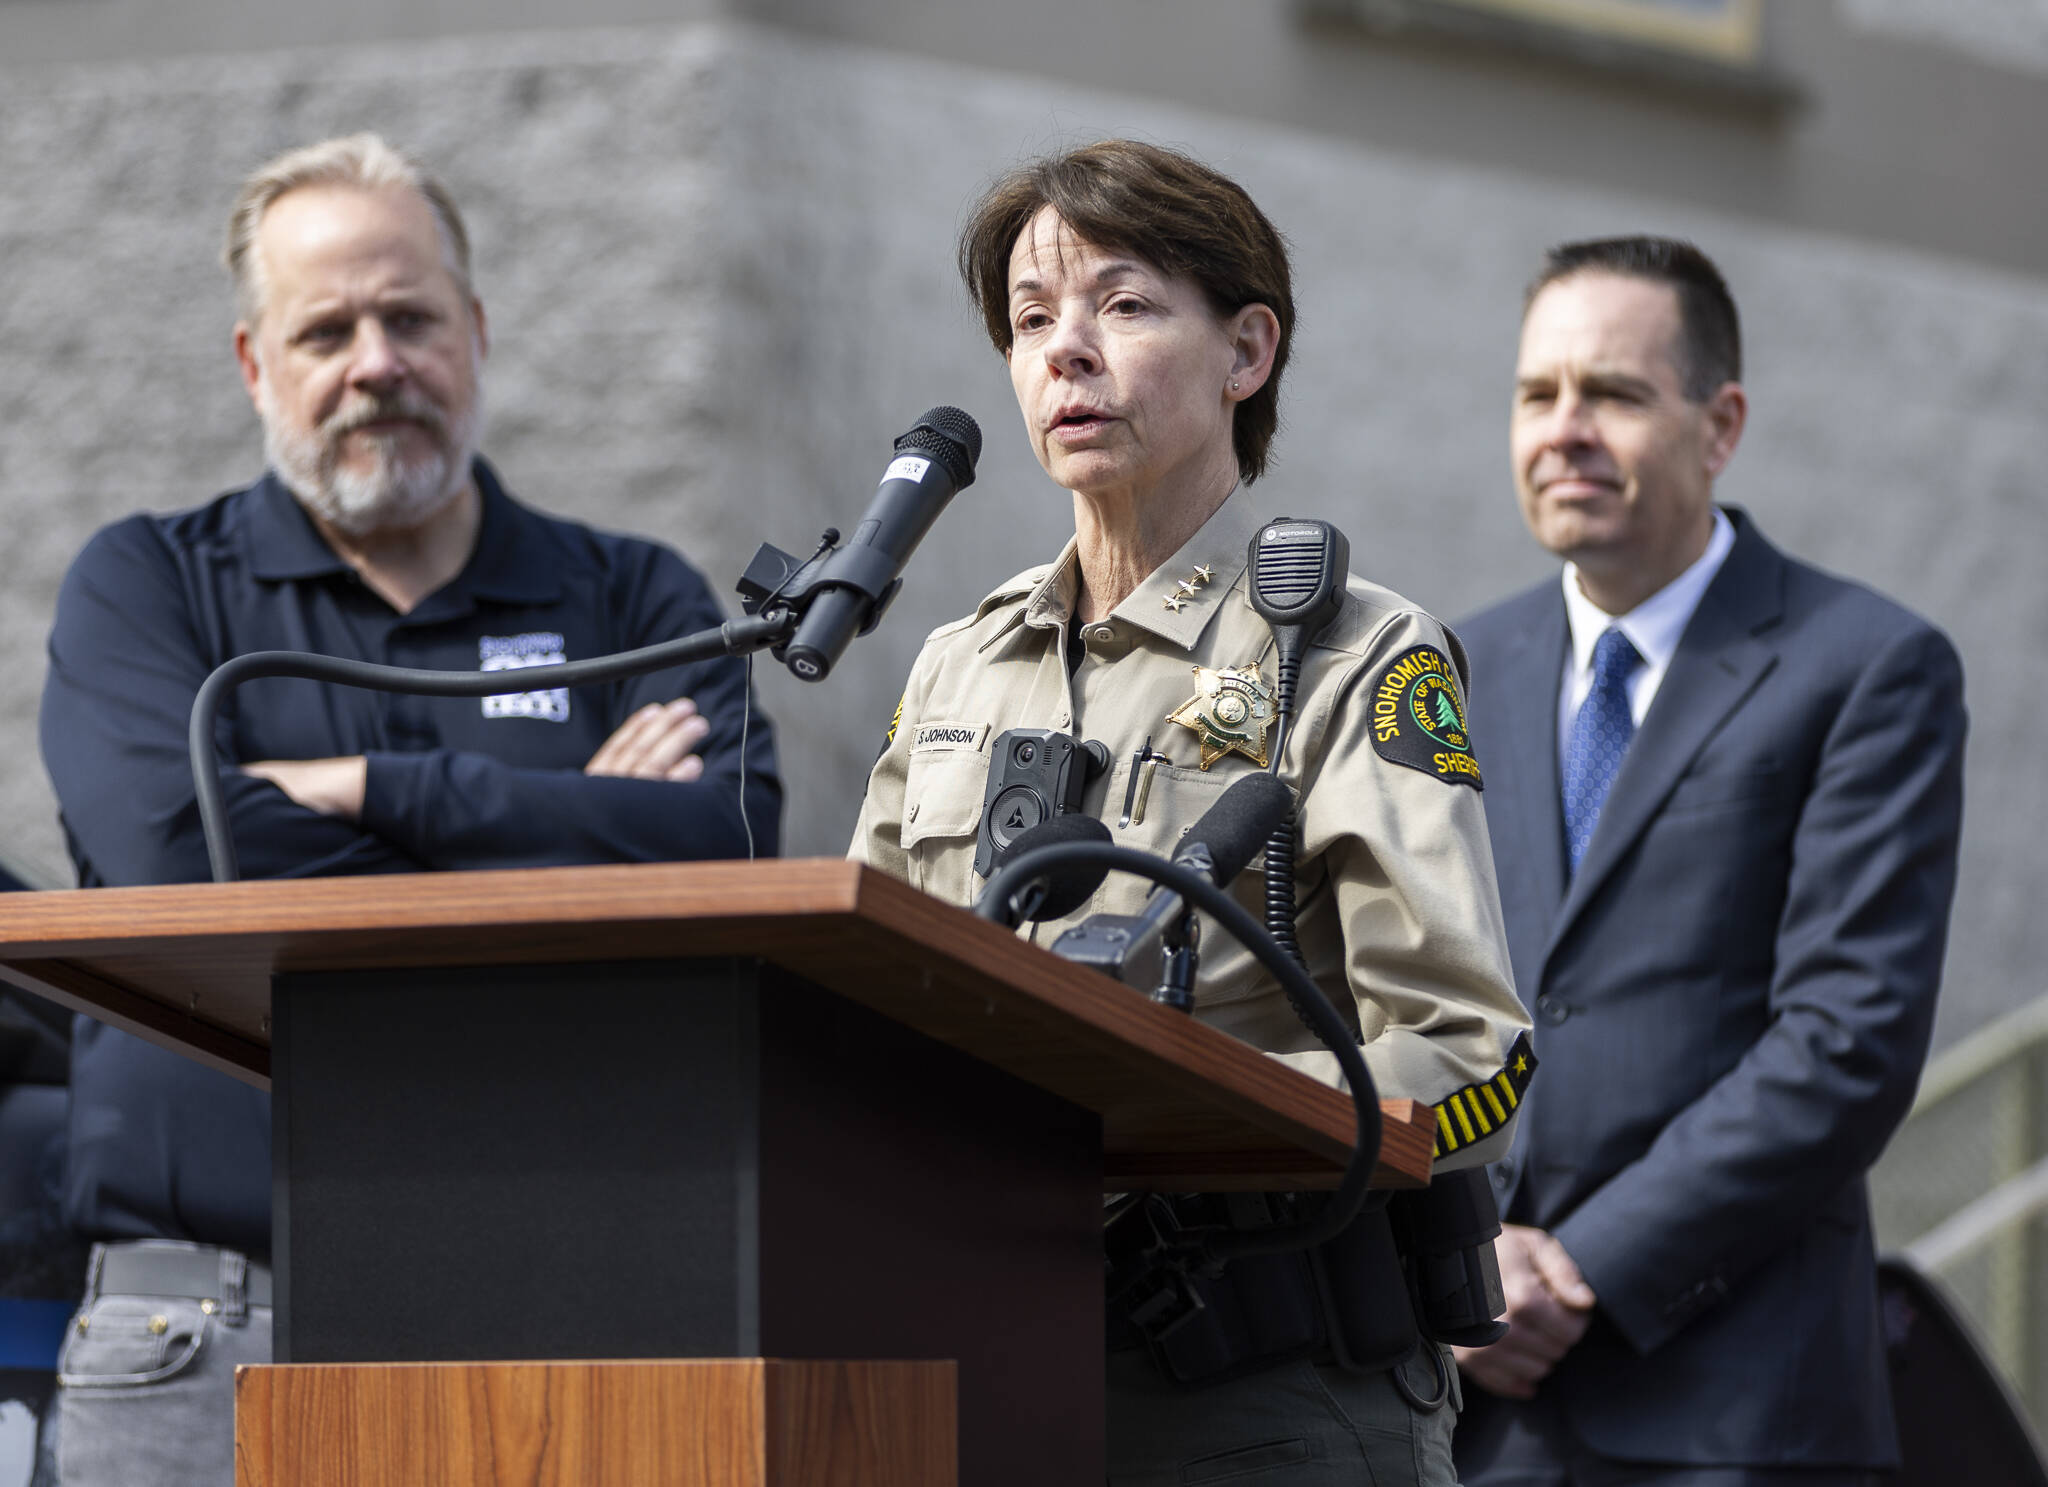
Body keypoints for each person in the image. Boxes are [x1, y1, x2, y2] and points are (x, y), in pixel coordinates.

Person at [33, 133, 780, 1487]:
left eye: (410, 317)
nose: (375, 362)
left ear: (477, 333)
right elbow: (167, 842)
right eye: (326, 329)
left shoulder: (633, 599)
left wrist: (376, 788)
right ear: (258, 365)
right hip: (201, 1334)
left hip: (571, 1324)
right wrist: (569, 822)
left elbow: (722, 847)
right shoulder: (146, 585)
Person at [851, 139, 1532, 1487]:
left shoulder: (1348, 652)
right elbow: (860, 1007)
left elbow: (1468, 1057)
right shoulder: (954, 664)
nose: (1068, 352)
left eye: (1124, 304)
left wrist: (1192, 1142)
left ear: (1247, 350)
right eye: (1032, 320)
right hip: (981, 1380)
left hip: (1261, 1397)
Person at [1452, 237, 1965, 1486]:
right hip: (1472, 1405)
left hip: (1735, 1409)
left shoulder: (1865, 665)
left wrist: (1577, 1267)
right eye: (1537, 394)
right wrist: (1457, 1260)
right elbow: (1398, 1003)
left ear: (1717, 422)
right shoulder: (1452, 669)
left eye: (1613, 393)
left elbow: (1845, 1038)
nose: (1563, 429)